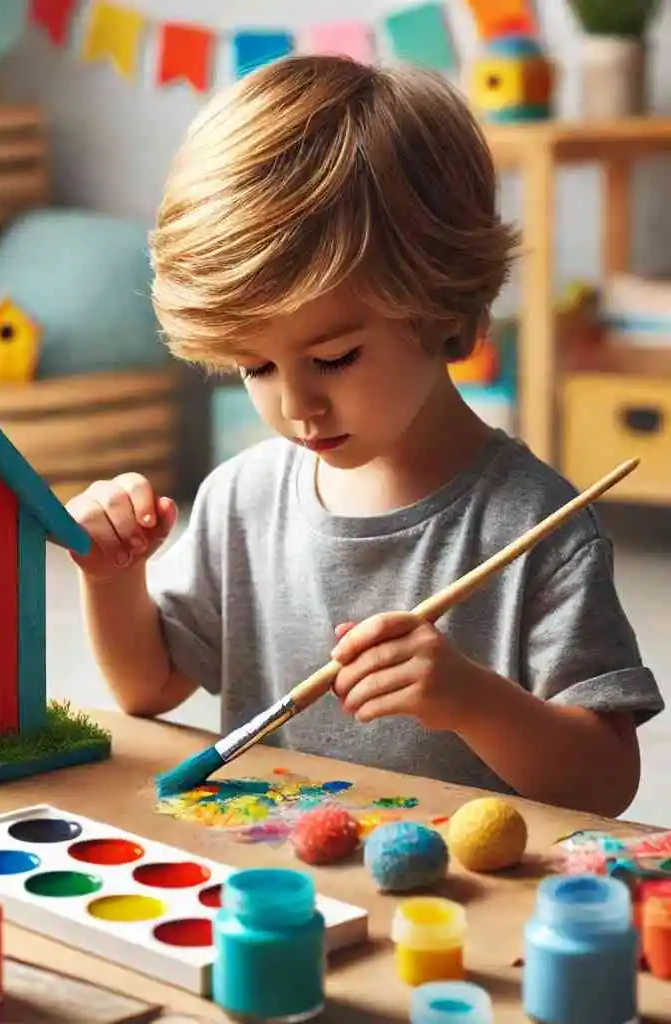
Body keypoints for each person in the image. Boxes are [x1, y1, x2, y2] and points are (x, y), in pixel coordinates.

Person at [64, 55, 663, 817]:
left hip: (448, 913)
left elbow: (607, 784)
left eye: (334, 358)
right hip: (282, 885)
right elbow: (147, 687)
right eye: (256, 367)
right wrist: (112, 577)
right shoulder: (241, 499)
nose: (297, 404)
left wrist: (470, 700)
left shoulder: (536, 526)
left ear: (447, 314)